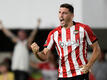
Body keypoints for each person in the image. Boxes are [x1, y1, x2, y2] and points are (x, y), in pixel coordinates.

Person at [31, 3, 101, 80]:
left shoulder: (83, 29)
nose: (61, 15)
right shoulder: (54, 34)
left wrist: (89, 65)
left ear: (72, 15)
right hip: (62, 75)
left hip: (80, 74)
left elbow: (96, 49)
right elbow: (44, 56)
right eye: (59, 12)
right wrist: (36, 53)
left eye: (64, 13)